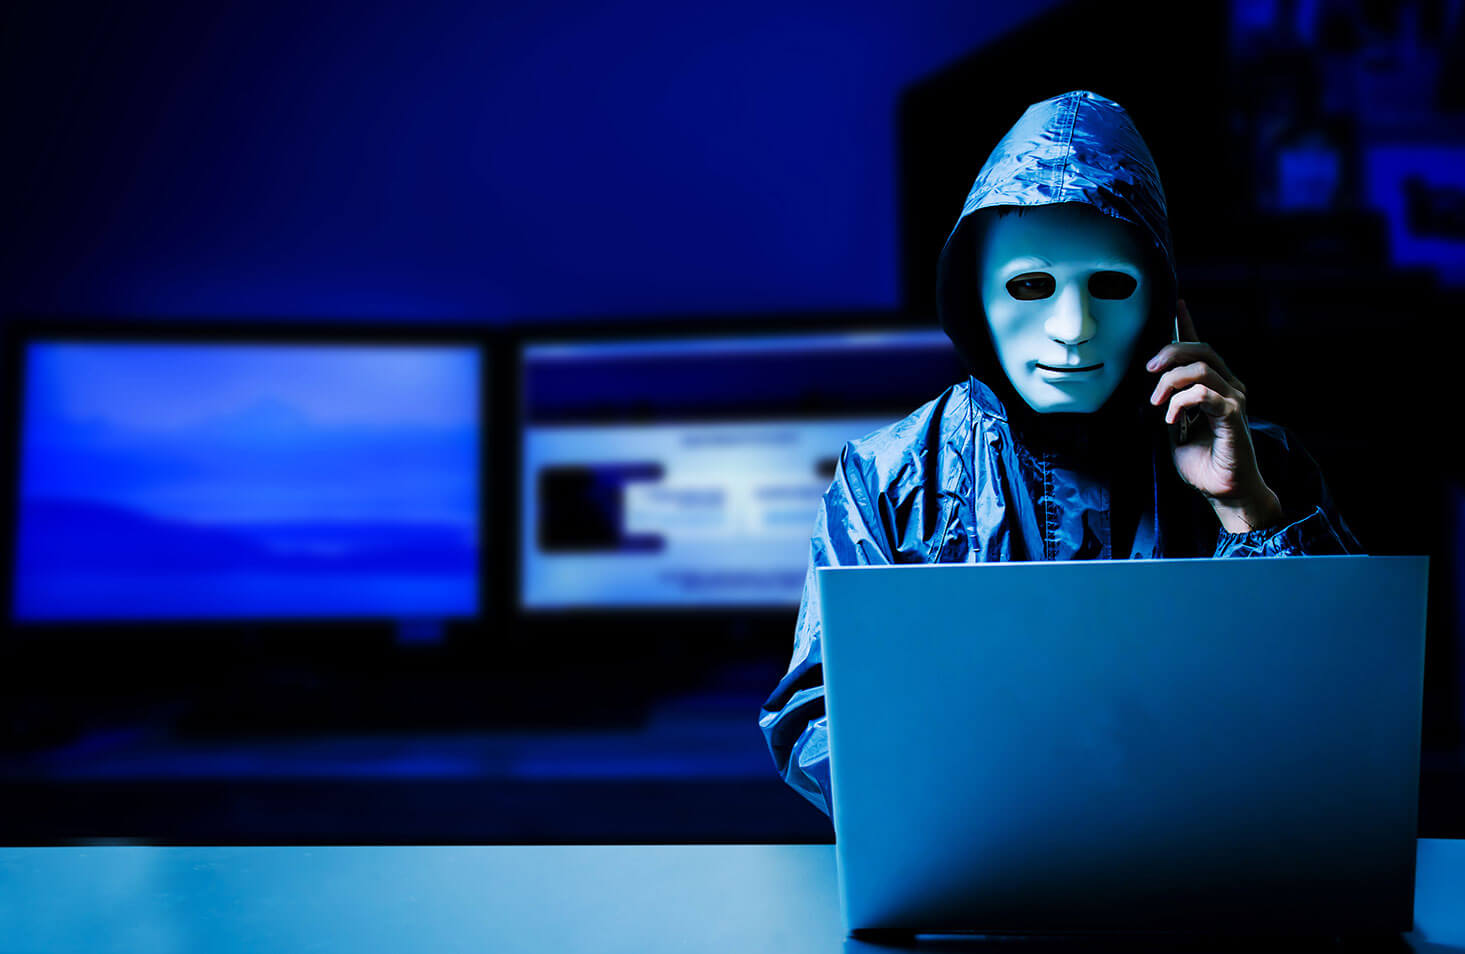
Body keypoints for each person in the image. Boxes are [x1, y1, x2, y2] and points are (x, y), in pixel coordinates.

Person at [758, 89, 1363, 819]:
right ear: (971, 298)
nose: (1072, 328)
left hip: (1204, 888)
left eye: (1109, 286)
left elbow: (1342, 707)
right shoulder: (885, 479)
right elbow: (815, 717)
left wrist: (1247, 513)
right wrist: (973, 804)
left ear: (1163, 303)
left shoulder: (1262, 469)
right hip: (971, 887)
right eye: (1030, 286)